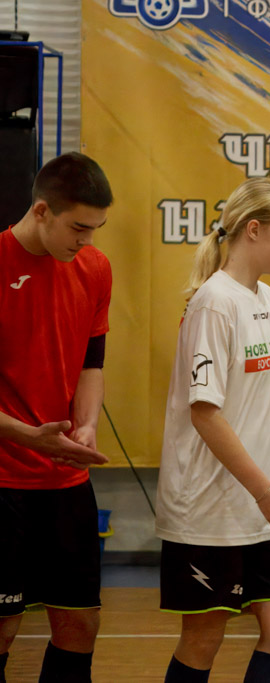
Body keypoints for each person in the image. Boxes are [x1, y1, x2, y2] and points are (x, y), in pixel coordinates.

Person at [156, 178, 270, 683]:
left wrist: (266, 492)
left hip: (261, 505)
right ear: (253, 230)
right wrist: (264, 489)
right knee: (203, 639)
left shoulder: (267, 297)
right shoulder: (214, 302)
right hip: (210, 510)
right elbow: (205, 414)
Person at [0, 152, 113, 682]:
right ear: (42, 210)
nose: (86, 241)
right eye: (78, 228)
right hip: (3, 480)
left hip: (65, 481)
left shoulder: (95, 268)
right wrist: (26, 435)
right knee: (2, 627)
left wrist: (85, 425)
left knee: (80, 624)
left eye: (96, 229)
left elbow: (92, 362)